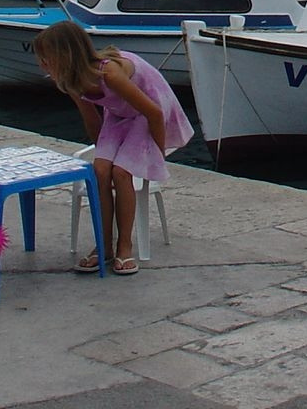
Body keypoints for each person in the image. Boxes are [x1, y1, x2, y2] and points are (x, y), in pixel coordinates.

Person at [31, 22, 192, 275]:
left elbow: (153, 112)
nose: (42, 64)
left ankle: (124, 246)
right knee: (101, 171)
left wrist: (156, 153)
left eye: (46, 58)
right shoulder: (70, 81)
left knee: (121, 172)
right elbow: (92, 119)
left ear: (65, 56)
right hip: (118, 114)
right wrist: (103, 152)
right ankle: (103, 244)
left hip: (145, 111)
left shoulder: (110, 74)